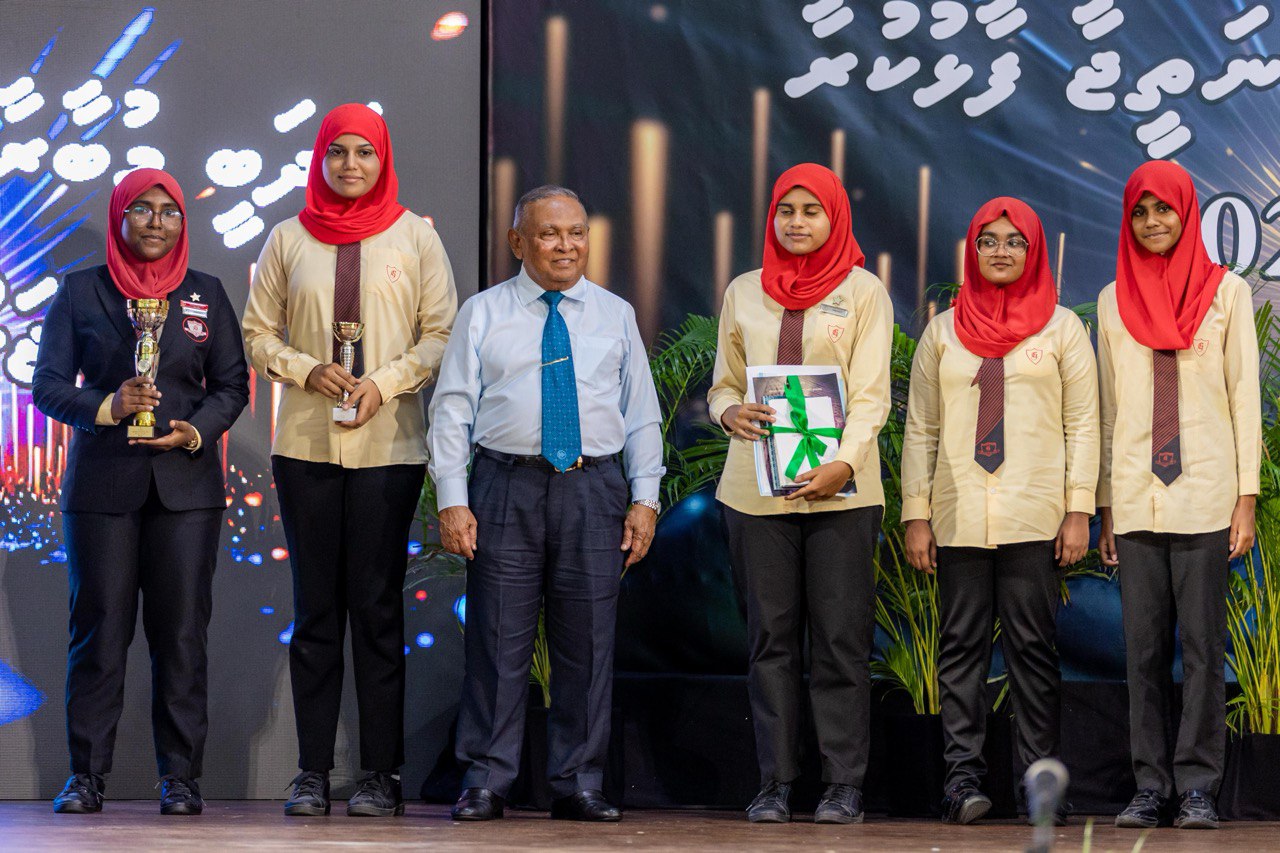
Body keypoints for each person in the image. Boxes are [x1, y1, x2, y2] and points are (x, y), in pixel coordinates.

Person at [242, 103, 457, 817]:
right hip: (305, 447)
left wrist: (382, 383)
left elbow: (440, 334)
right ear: (321, 159)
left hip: (389, 448)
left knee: (377, 608)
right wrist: (308, 369)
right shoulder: (287, 237)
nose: (351, 165)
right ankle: (310, 770)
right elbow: (256, 334)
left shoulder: (416, 236)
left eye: (365, 152)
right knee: (315, 610)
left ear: (383, 158)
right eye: (338, 152)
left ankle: (380, 773)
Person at [429, 185, 663, 822]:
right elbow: (452, 410)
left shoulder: (615, 313)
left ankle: (578, 782)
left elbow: (641, 413)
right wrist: (452, 499)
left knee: (588, 643)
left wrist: (645, 498)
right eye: (549, 233)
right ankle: (486, 779)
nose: (566, 245)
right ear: (517, 242)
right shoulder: (482, 312)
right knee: (496, 639)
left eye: (577, 232)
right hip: (505, 486)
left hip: (595, 490)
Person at [33, 168, 249, 815]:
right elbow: (47, 385)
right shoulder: (80, 292)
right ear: (120, 216)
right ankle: (85, 776)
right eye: (143, 209)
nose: (157, 221)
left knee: (181, 635)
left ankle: (180, 778)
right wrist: (108, 405)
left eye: (169, 211)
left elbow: (232, 385)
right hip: (102, 489)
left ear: (183, 221)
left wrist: (194, 431)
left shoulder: (205, 293)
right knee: (98, 633)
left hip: (187, 489)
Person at [901, 198, 1098, 824]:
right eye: (988, 241)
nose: (1002, 251)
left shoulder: (1061, 329)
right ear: (973, 251)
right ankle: (963, 783)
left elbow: (1083, 423)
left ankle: (1039, 787)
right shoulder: (943, 332)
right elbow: (921, 428)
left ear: (1033, 251)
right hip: (958, 514)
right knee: (960, 649)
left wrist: (1078, 509)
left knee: (1032, 651)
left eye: (1015, 241)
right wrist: (915, 513)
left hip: (1034, 516)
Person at [707, 163, 892, 824]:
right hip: (755, 493)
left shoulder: (863, 291)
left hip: (843, 492)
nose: (797, 222)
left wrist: (842, 463)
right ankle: (776, 782)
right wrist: (729, 412)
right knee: (771, 641)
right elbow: (724, 383)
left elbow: (872, 396)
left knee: (841, 640)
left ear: (834, 216)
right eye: (787, 210)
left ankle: (843, 784)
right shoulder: (745, 290)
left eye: (812, 211)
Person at [1100, 160, 1260, 831]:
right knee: (1140, 654)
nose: (1152, 221)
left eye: (1164, 208)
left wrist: (1246, 498)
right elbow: (1109, 408)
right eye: (1140, 211)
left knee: (1201, 649)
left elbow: (1244, 397)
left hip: (1205, 495)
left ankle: (1197, 787)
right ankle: (1150, 786)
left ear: (1187, 213)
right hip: (1137, 496)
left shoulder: (1227, 293)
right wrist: (1107, 505)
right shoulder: (1112, 299)